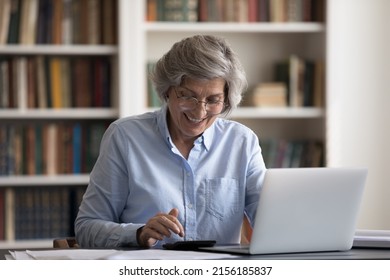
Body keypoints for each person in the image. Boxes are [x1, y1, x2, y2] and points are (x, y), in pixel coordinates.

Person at [75, 35, 266, 248]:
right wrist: (137, 234)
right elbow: (87, 228)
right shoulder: (125, 137)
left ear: (226, 100)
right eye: (187, 96)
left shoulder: (242, 142)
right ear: (167, 91)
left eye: (213, 100)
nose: (199, 111)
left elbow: (271, 221)